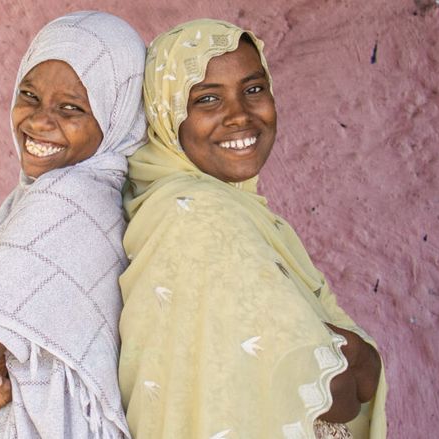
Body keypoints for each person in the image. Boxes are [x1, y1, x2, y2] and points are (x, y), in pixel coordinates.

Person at [118, 19, 387, 439]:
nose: (240, 115)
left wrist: (337, 352)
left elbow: (356, 376)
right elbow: (337, 389)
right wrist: (347, 350)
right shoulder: (198, 215)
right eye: (207, 98)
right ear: (166, 114)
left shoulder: (227, 210)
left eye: (254, 89)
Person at [0, 11, 146, 438]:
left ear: (117, 112)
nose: (40, 121)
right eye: (29, 95)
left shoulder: (63, 201)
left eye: (71, 108)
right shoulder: (109, 201)